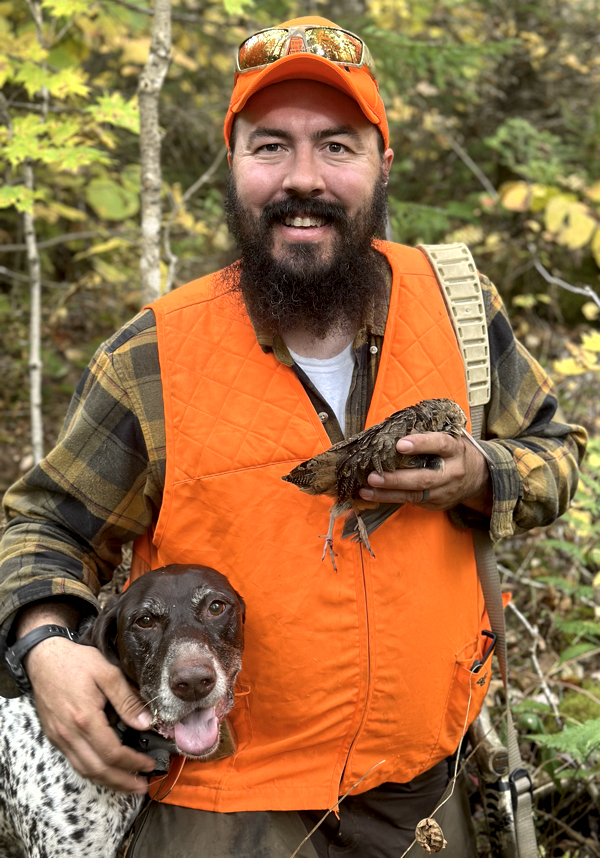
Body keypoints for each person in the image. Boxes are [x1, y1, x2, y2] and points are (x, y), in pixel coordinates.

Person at [0, 15, 587, 858]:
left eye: (337, 147)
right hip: (224, 805)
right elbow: (46, 527)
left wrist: (482, 473)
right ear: (232, 164)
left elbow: (556, 450)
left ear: (383, 164)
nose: (302, 178)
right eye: (271, 145)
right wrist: (45, 646)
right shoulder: (154, 353)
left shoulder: (459, 309)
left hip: (424, 796)